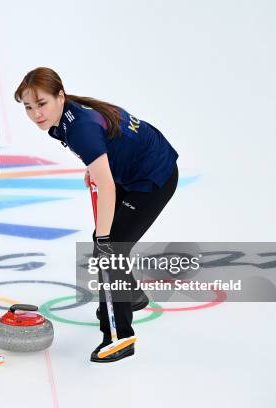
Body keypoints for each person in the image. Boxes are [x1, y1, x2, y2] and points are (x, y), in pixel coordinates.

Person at [14, 67, 179, 362]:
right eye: (28, 107)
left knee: (110, 247)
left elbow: (106, 185)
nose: (36, 114)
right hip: (130, 170)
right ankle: (131, 296)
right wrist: (97, 163)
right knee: (106, 243)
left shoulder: (80, 128)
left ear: (60, 97)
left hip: (154, 176)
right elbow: (108, 143)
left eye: (41, 104)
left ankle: (120, 337)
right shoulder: (63, 118)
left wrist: (105, 237)